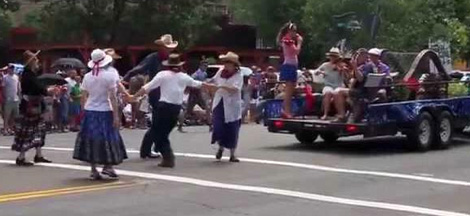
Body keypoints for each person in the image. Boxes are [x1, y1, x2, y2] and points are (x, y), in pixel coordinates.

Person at [130, 54, 208, 168]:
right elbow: (199, 84)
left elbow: (147, 87)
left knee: (158, 133)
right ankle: (162, 154)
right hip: (175, 108)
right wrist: (214, 87)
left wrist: (134, 96)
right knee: (163, 133)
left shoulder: (163, 75)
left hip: (163, 107)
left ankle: (167, 157)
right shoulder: (183, 76)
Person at [73, 49, 127, 180]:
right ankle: (108, 165)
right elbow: (113, 97)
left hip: (90, 110)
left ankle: (93, 169)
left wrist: (82, 111)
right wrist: (116, 116)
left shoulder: (87, 76)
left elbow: (83, 96)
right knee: (108, 139)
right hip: (105, 110)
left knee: (91, 139)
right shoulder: (110, 75)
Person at [125, 35, 177, 160]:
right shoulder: (153, 58)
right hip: (157, 93)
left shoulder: (171, 59)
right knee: (158, 122)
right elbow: (140, 68)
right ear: (161, 47)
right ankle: (151, 148)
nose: (169, 49)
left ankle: (154, 147)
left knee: (167, 122)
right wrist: (126, 78)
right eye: (166, 47)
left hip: (169, 93)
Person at [12, 50, 54, 166]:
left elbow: (39, 87)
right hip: (30, 105)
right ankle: (21, 157)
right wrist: (47, 91)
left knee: (39, 129)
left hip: (36, 104)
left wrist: (46, 90)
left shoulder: (31, 74)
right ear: (31, 62)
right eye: (35, 60)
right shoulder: (27, 74)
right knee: (27, 131)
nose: (38, 62)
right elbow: (37, 88)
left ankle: (39, 155)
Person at [206, 52, 243, 162]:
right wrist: (207, 82)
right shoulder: (221, 72)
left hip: (232, 105)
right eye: (225, 62)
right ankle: (220, 148)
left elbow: (236, 88)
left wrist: (221, 86)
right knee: (218, 126)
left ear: (234, 65)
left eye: (228, 63)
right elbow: (214, 80)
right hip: (219, 102)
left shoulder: (238, 75)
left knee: (232, 128)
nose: (226, 65)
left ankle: (232, 154)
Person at [277, 22, 303, 118]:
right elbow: (296, 52)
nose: (295, 33)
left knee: (291, 90)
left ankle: (286, 110)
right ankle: (286, 111)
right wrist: (299, 42)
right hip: (289, 66)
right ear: (289, 31)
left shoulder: (290, 41)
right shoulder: (287, 40)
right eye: (294, 31)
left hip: (292, 66)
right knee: (288, 91)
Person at [187, 60, 212, 131]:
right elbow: (190, 82)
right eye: (204, 66)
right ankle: (180, 124)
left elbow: (204, 83)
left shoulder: (204, 74)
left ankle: (210, 124)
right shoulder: (196, 74)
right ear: (200, 66)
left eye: (206, 66)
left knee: (207, 108)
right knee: (188, 110)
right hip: (194, 93)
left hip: (200, 93)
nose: (205, 67)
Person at [2, 64, 21, 135]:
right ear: (8, 69)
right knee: (7, 115)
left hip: (15, 99)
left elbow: (18, 87)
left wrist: (19, 96)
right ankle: (5, 129)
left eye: (13, 68)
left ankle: (11, 128)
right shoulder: (5, 77)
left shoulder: (16, 77)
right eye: (10, 68)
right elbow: (3, 88)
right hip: (8, 99)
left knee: (14, 115)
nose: (12, 69)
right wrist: (5, 97)